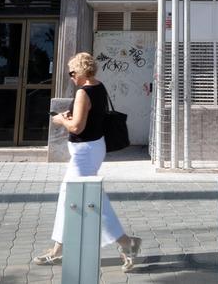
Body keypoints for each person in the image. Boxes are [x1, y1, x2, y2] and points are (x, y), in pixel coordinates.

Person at [34, 52, 142, 271]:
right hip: (91, 149)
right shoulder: (98, 86)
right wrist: (71, 114)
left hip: (84, 153)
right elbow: (89, 117)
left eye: (72, 72)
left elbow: (77, 127)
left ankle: (126, 242)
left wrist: (60, 120)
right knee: (70, 197)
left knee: (91, 200)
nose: (71, 76)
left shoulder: (83, 92)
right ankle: (58, 249)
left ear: (82, 71)